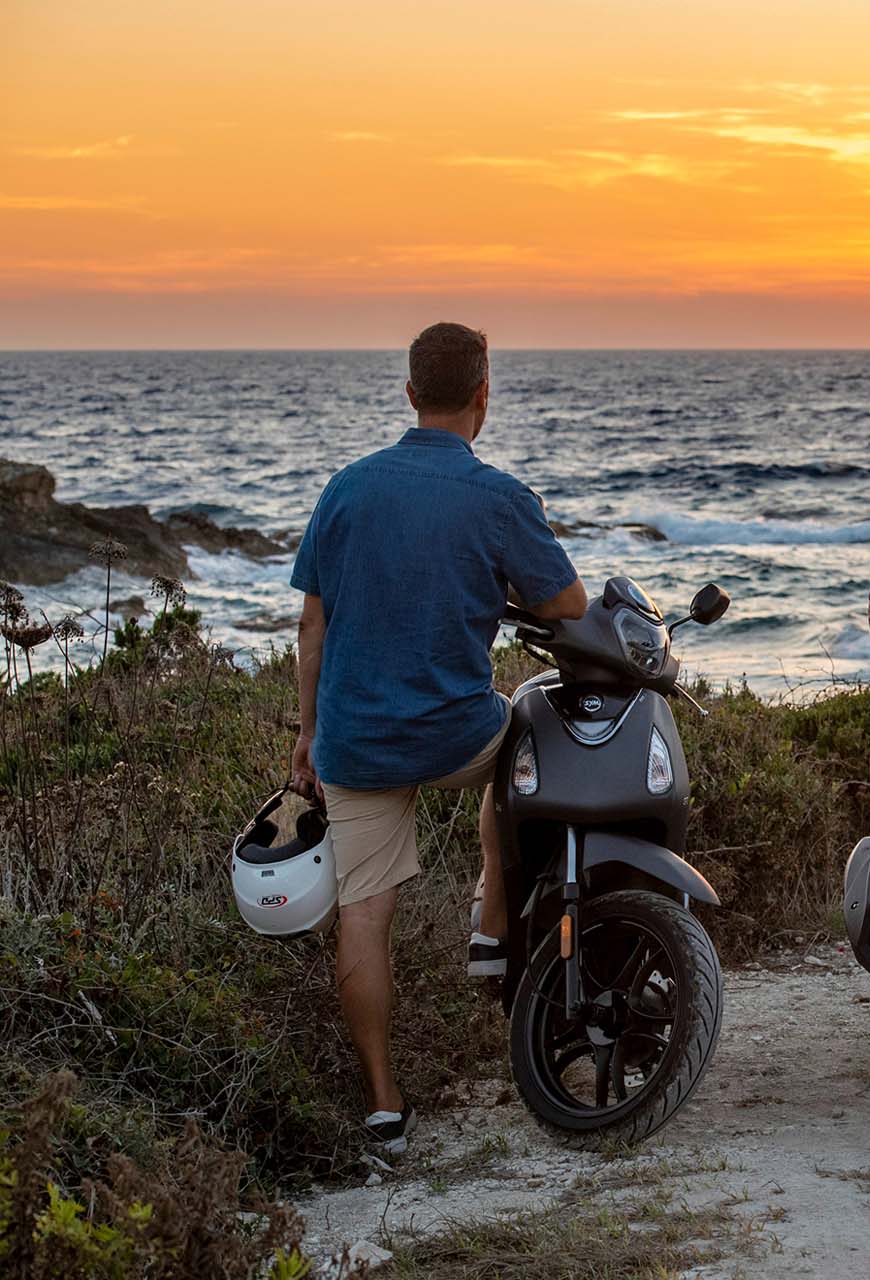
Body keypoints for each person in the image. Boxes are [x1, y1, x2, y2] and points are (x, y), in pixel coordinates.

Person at [287, 322, 587, 1155]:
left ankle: (384, 1107)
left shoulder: (345, 490)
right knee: (525, 733)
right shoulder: (498, 498)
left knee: (364, 911)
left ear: (411, 393)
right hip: (458, 735)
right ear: (484, 396)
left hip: (355, 740)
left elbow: (311, 629)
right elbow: (568, 606)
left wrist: (308, 736)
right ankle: (491, 923)